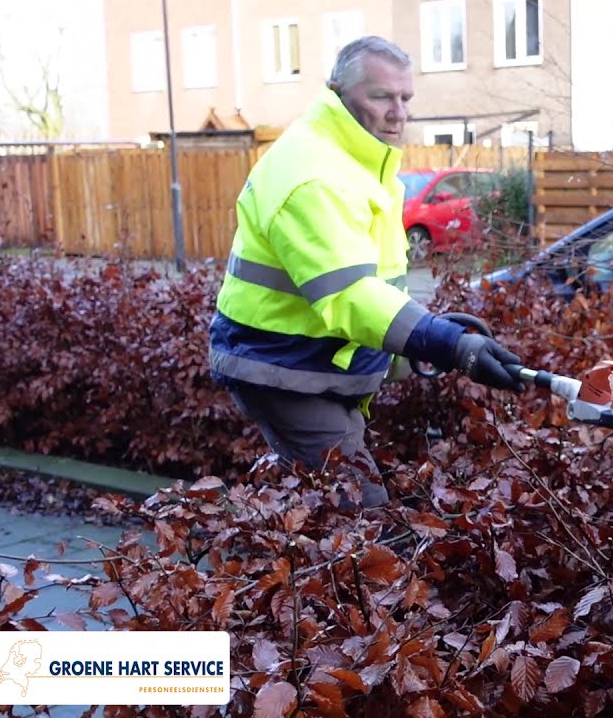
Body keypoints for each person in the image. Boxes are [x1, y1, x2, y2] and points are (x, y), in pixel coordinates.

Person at [209, 36, 525, 508]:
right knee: (367, 518)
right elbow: (350, 295)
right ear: (337, 91)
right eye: (381, 96)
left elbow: (371, 288)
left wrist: (412, 351)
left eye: (405, 98)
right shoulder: (312, 173)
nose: (399, 111)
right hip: (283, 370)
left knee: (328, 516)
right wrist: (444, 342)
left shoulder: (358, 162)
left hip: (314, 364)